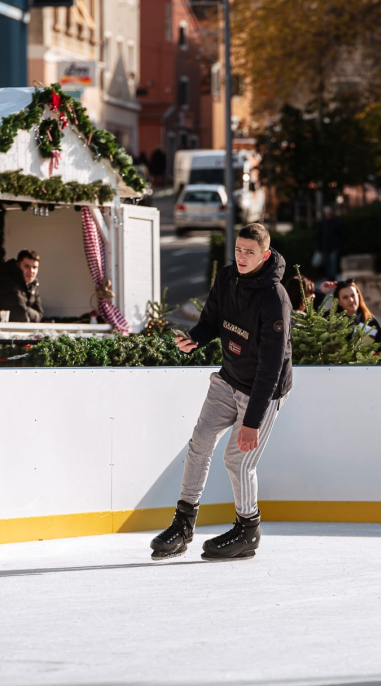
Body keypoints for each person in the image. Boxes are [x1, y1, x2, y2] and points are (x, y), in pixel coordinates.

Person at [152, 223, 292, 562]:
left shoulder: (275, 300)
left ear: (266, 255)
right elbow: (212, 320)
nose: (242, 258)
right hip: (228, 379)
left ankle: (248, 531)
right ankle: (184, 524)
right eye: (239, 250)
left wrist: (252, 422)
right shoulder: (228, 278)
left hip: (263, 392)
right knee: (200, 441)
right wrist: (196, 338)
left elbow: (271, 370)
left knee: (237, 461)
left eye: (250, 252)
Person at [0, 250, 44, 323]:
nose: (31, 271)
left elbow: (40, 314)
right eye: (26, 266)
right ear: (18, 265)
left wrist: (27, 310)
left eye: (34, 267)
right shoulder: (7, 282)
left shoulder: (32, 284)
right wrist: (29, 311)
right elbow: (20, 316)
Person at [313, 206, 345, 281]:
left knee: (333, 262)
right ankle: (328, 276)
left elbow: (341, 235)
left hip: (334, 246)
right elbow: (319, 235)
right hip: (325, 247)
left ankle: (332, 277)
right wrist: (318, 246)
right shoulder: (323, 223)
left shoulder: (337, 222)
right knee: (326, 262)